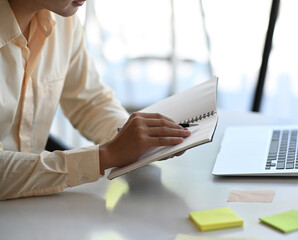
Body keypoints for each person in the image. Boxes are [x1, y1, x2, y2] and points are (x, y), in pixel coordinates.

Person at [0, 0, 191, 200]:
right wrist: (105, 156)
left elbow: (89, 100)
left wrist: (134, 137)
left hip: (33, 208)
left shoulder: (63, 21)